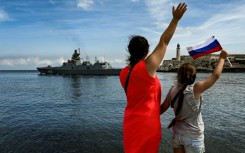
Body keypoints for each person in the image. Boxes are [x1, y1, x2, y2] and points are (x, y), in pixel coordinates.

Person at [119, 3, 187, 153]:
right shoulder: (146, 68)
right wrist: (175, 19)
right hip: (147, 125)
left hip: (130, 124)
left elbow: (141, 100)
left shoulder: (123, 73)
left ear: (130, 51)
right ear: (147, 50)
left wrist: (167, 101)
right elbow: (164, 41)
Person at [160, 50, 228, 153]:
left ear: (178, 76)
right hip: (193, 137)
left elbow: (160, 110)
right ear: (193, 76)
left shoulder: (172, 91)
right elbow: (215, 75)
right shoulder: (195, 89)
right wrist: (222, 58)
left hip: (177, 135)